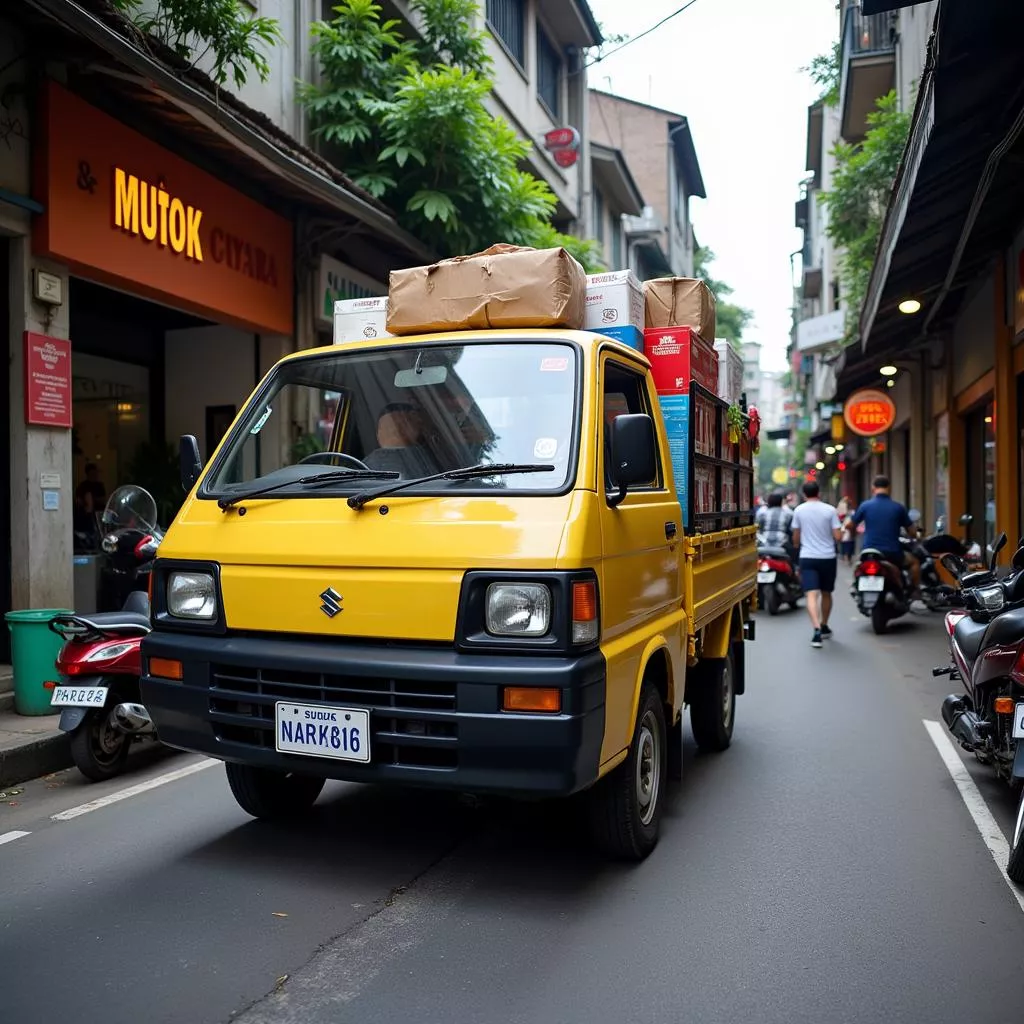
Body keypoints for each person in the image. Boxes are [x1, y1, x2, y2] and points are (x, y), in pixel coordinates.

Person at [791, 480, 841, 648]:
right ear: (818, 492)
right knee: (826, 593)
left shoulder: (799, 510)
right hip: (828, 557)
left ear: (804, 494)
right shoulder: (830, 510)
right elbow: (838, 536)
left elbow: (796, 537)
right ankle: (824, 624)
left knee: (811, 595)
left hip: (808, 557)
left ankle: (816, 629)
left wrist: (797, 545)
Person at [845, 475, 917, 585]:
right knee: (914, 562)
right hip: (892, 553)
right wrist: (914, 536)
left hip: (868, 552)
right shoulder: (898, 507)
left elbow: (849, 525)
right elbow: (912, 532)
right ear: (889, 488)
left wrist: (853, 534)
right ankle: (914, 591)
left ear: (872, 488)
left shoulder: (865, 506)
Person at [364, 403, 439, 478]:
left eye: (403, 425)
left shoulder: (437, 456)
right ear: (377, 434)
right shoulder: (367, 465)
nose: (395, 431)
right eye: (387, 428)